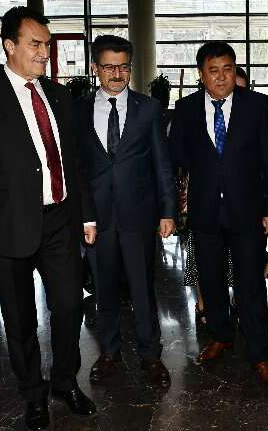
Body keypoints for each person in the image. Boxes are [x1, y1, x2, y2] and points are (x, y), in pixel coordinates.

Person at [0, 6, 97, 430]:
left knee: (70, 307)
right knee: (19, 321)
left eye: (47, 45)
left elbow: (74, 162)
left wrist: (86, 216)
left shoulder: (58, 96)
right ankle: (33, 394)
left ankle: (65, 381)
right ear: (9, 45)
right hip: (7, 229)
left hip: (59, 221)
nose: (43, 53)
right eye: (35, 44)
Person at [169, 41, 268, 387]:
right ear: (201, 75)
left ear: (235, 71)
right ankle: (220, 336)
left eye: (228, 70)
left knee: (251, 284)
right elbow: (177, 156)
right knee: (211, 279)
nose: (221, 77)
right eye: (213, 71)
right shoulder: (185, 108)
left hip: (247, 212)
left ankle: (260, 354)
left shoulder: (256, 105)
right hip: (204, 212)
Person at [74, 35, 176, 388]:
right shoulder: (78, 110)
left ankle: (151, 356)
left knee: (143, 288)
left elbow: (162, 163)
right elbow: (78, 168)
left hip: (139, 216)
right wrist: (83, 215)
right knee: (103, 289)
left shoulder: (148, 108)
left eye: (123, 67)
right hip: (97, 218)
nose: (117, 74)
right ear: (95, 68)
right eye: (109, 67)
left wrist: (167, 211)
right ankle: (109, 353)